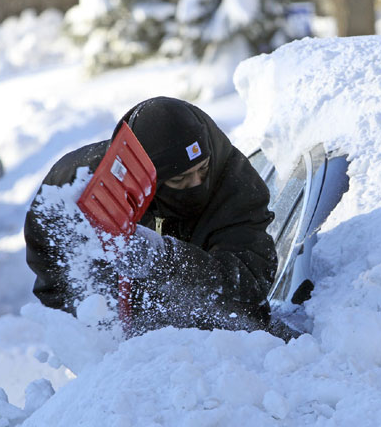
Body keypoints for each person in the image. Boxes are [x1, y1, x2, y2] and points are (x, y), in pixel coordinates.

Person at [24, 96, 288, 339]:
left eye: (203, 169)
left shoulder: (236, 188)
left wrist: (166, 260)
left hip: (207, 350)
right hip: (119, 351)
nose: (196, 183)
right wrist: (93, 327)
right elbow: (50, 262)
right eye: (179, 179)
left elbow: (249, 292)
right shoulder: (84, 181)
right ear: (149, 177)